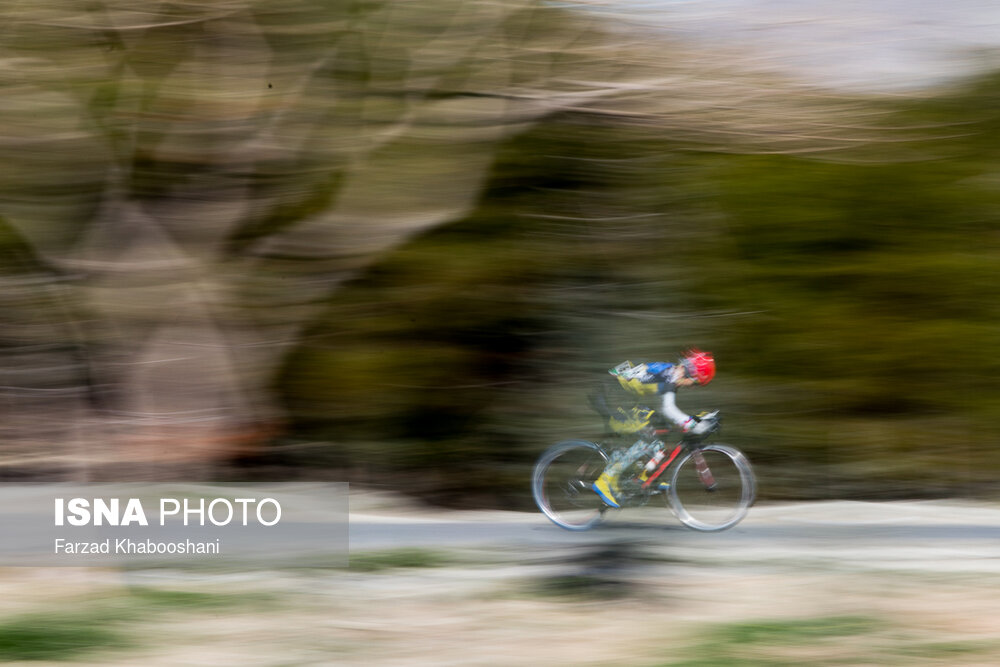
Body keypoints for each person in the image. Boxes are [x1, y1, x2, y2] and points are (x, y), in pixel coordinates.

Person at [591, 349, 717, 508]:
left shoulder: (670, 372)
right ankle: (605, 480)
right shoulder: (670, 375)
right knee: (649, 434)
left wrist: (694, 420)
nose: (692, 386)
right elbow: (669, 409)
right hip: (613, 398)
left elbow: (668, 412)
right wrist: (694, 424)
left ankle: (644, 476)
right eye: (695, 382)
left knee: (662, 427)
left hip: (620, 396)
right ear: (690, 373)